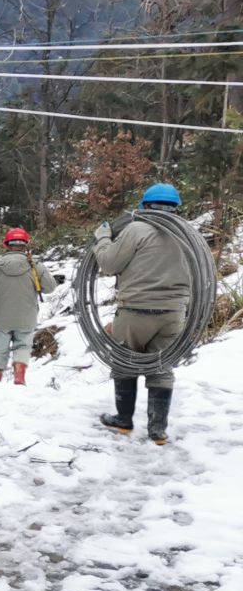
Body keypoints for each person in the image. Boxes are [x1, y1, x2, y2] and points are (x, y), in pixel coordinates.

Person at [94, 182, 194, 445]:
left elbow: (109, 264)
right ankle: (157, 431)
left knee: (124, 362)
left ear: (144, 205)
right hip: (173, 313)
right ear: (176, 207)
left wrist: (103, 238)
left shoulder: (136, 229)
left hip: (135, 310)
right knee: (162, 367)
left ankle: (123, 420)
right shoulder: (187, 233)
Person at [0, 228, 47, 385]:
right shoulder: (35, 265)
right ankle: (19, 378)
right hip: (26, 317)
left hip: (1, 320)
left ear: (6, 245)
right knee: (23, 346)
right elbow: (50, 287)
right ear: (26, 245)